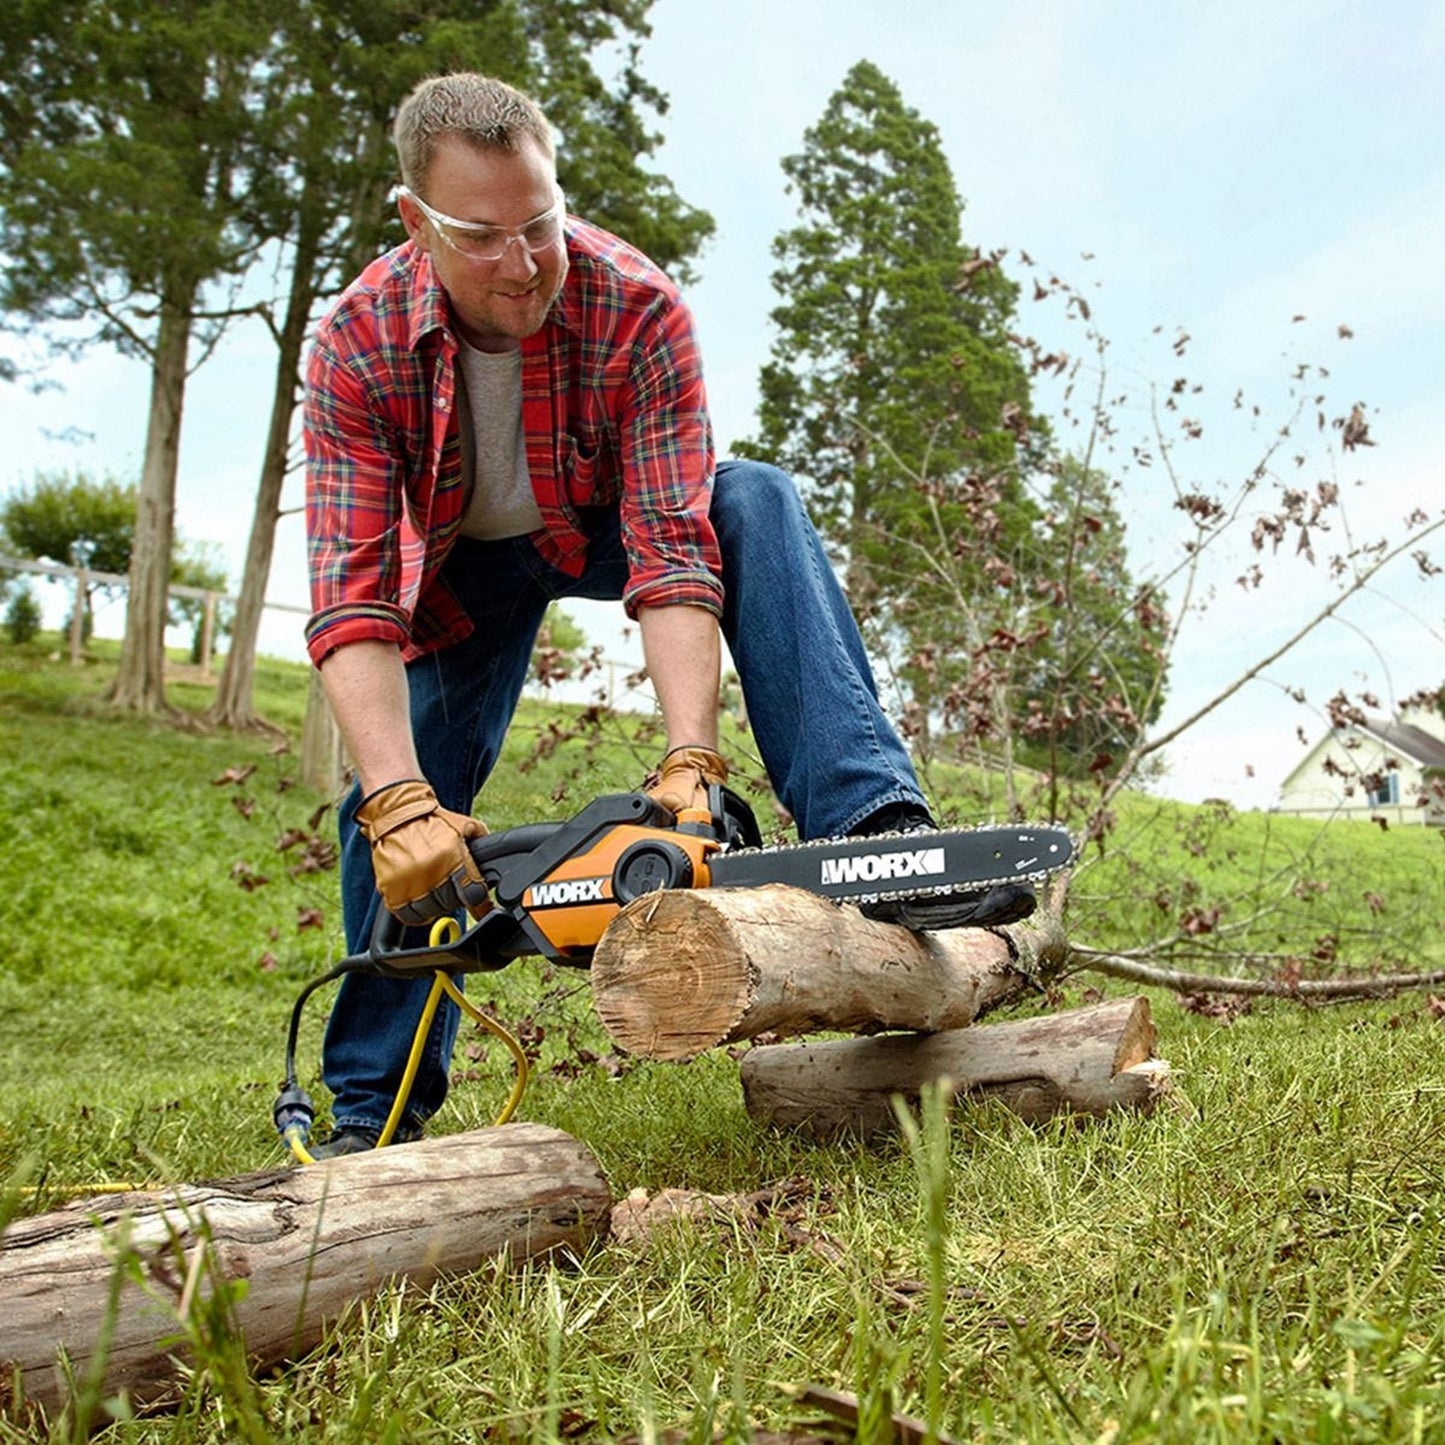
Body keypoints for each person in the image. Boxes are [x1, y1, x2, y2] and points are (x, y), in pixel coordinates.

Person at [303, 73, 1028, 1158]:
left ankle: (874, 827)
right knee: (399, 817)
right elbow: (356, 590)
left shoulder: (633, 302)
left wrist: (691, 758)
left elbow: (672, 545)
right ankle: (371, 1111)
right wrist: (401, 796)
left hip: (593, 526)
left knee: (752, 498)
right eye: (482, 235)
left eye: (539, 222)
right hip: (454, 579)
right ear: (416, 222)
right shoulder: (355, 341)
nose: (522, 260)